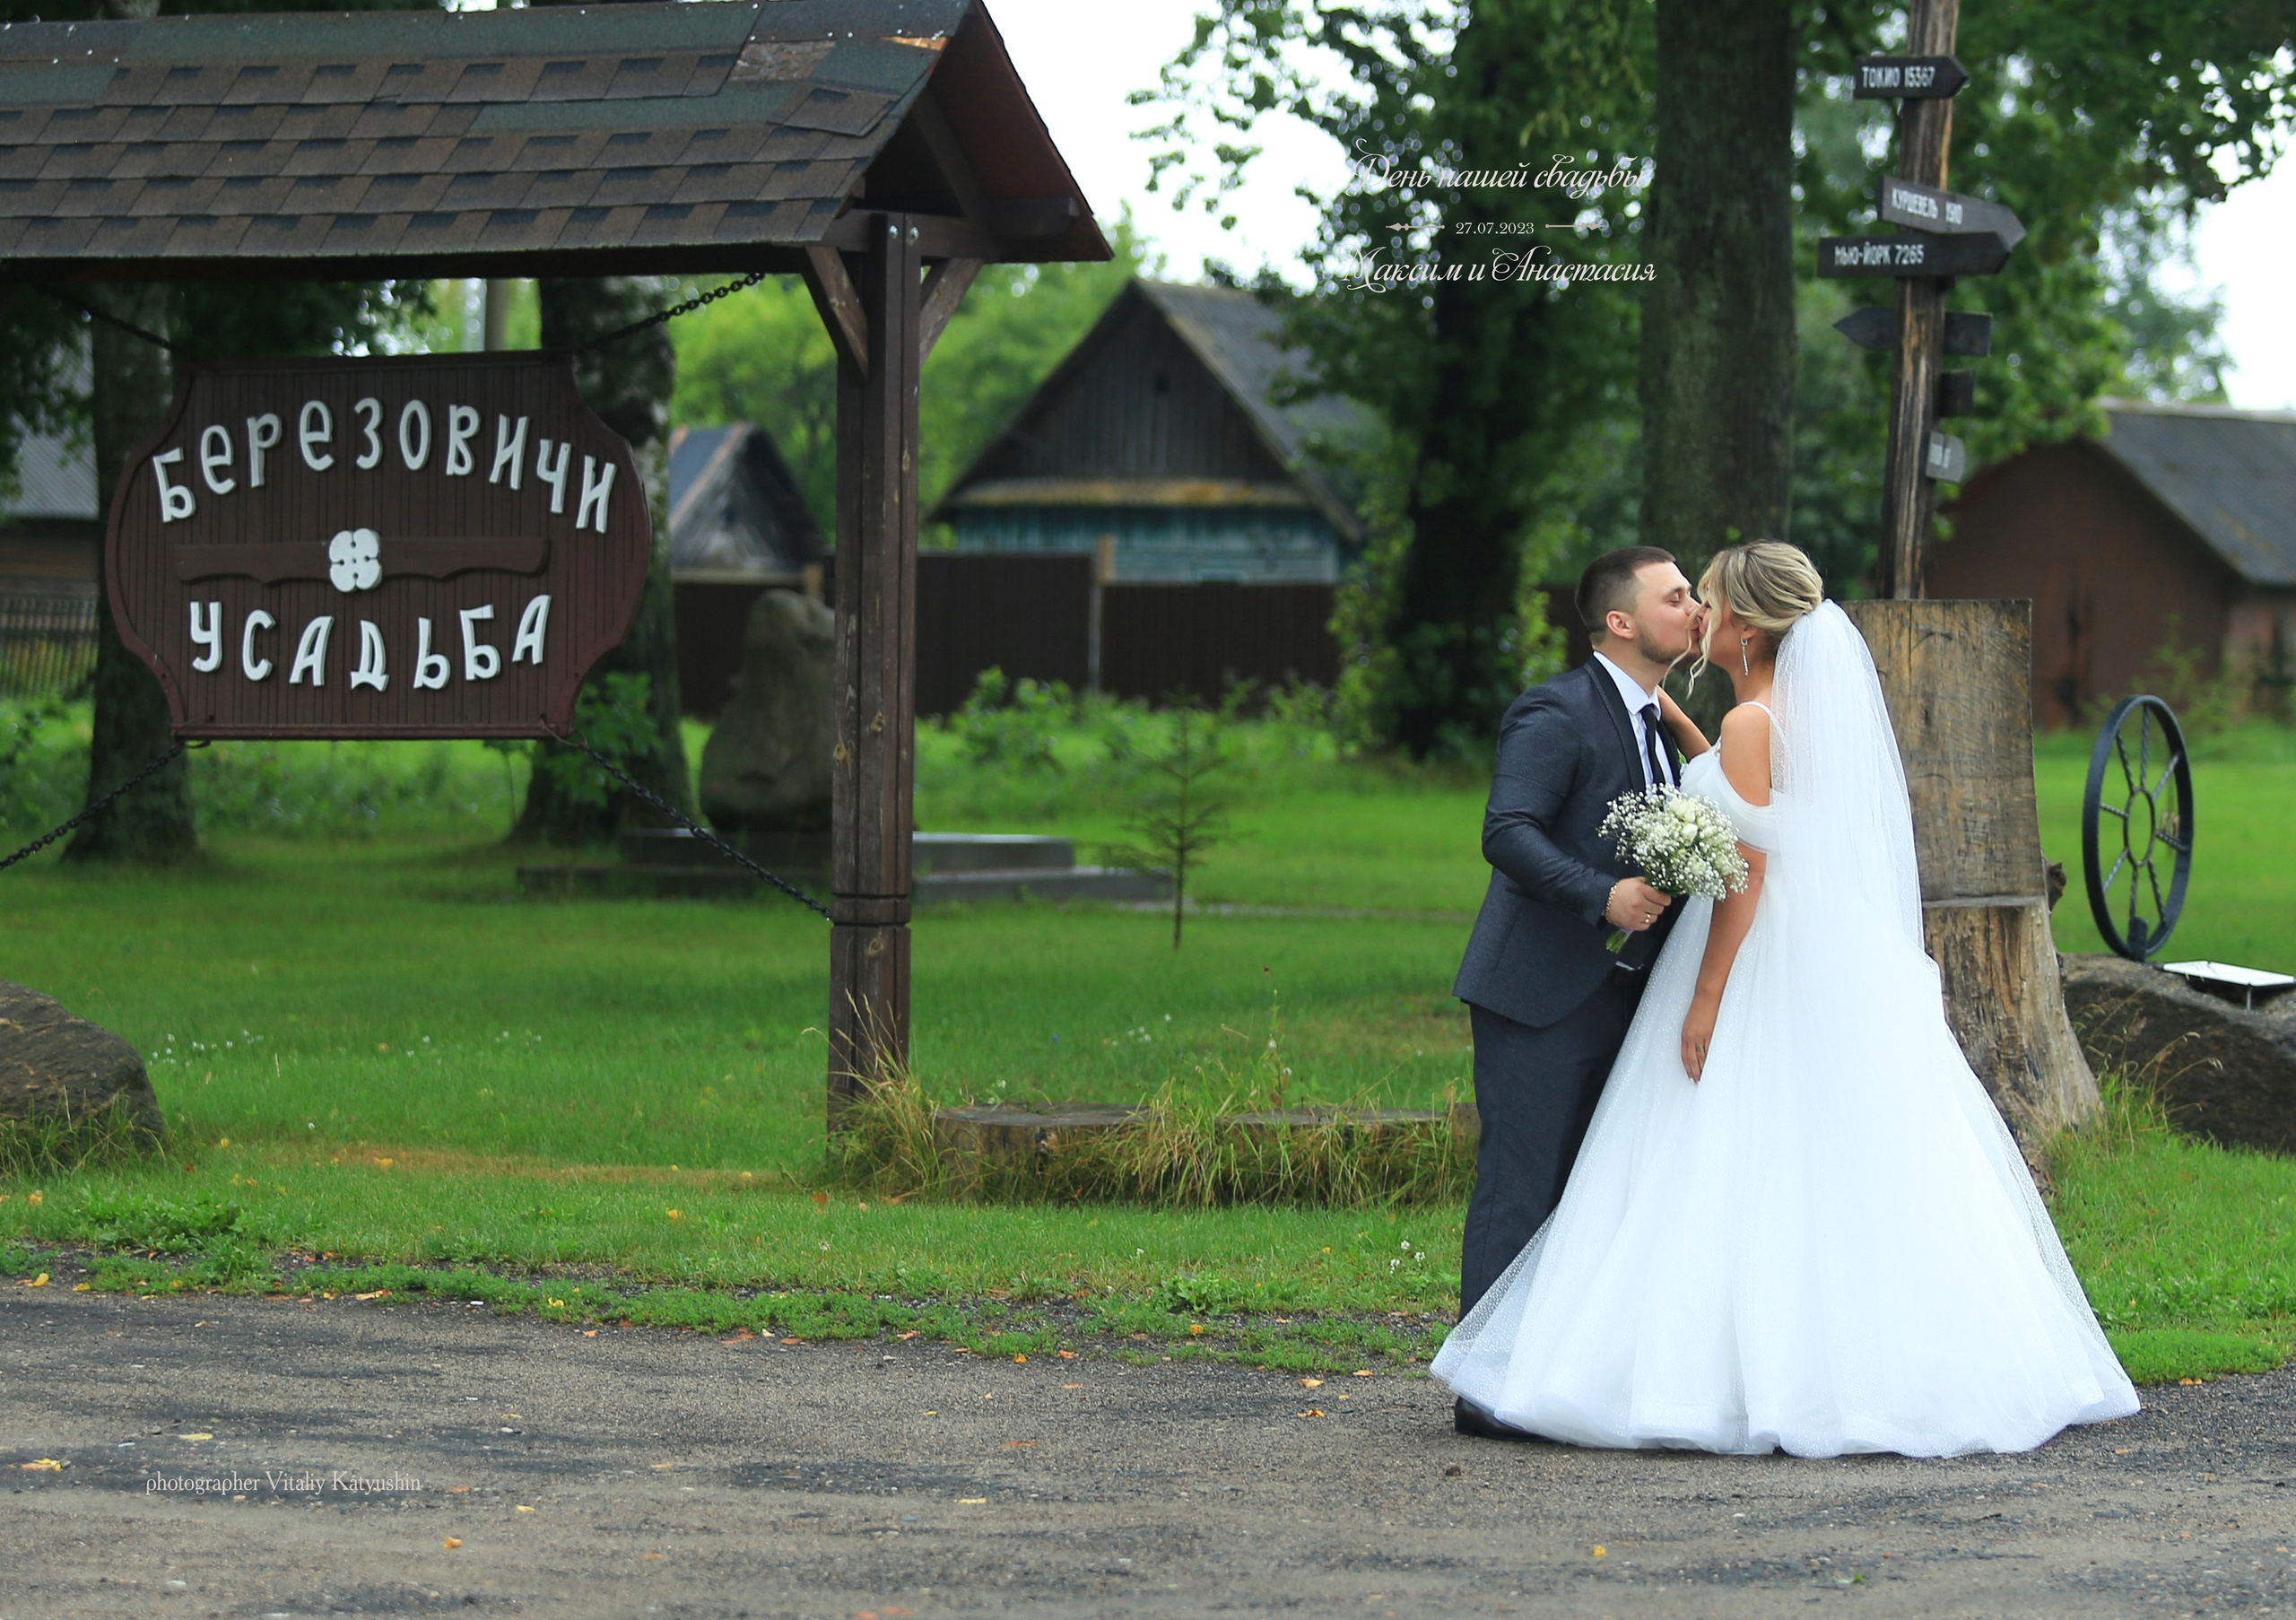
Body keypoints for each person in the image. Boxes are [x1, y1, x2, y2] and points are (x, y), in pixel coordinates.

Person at [1436, 541, 2138, 1457]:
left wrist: (1706, 997)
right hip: (1774, 956)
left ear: (1747, 626)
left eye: (1709, 599)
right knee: (1793, 1155)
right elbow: (1725, 797)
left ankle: (1673, 1368)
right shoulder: (1759, 715)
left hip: (1748, 954)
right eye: (1682, 596)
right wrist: (1677, 749)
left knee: (1717, 1151)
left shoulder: (1746, 724)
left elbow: (1746, 867)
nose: (1698, 613)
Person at [1449, 545, 1708, 1438]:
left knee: (1599, 1195)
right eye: (1676, 597)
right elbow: (1506, 831)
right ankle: (1485, 1393)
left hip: (1630, 998)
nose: (1694, 608)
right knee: (1521, 1188)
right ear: (1620, 621)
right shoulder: (1555, 711)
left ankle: (1560, 1378)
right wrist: (1600, 895)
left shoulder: (1660, 722)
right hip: (1539, 991)